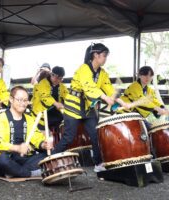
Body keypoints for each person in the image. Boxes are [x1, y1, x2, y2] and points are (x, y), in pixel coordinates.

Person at [52, 43, 129, 172]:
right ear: (96, 55)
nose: (105, 58)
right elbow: (89, 87)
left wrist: (122, 102)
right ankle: (51, 159)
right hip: (73, 106)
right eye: (104, 55)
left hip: (88, 108)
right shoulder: (84, 69)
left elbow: (109, 89)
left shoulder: (102, 73)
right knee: (68, 137)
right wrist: (105, 98)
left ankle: (98, 164)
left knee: (95, 135)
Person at [0, 86, 53, 177]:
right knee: (1, 160)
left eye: (25, 100)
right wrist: (17, 148)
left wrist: (44, 144)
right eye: (19, 100)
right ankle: (30, 173)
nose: (23, 103)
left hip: (24, 159)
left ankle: (16, 172)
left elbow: (36, 136)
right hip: (8, 157)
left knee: (52, 152)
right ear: (11, 99)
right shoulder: (0, 119)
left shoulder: (29, 119)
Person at [30, 66, 68, 131]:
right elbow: (45, 96)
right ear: (51, 75)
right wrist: (56, 103)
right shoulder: (43, 83)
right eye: (56, 77)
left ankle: (58, 138)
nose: (58, 80)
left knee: (65, 120)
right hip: (41, 112)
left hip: (54, 111)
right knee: (42, 132)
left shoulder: (61, 86)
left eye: (60, 78)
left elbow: (67, 95)